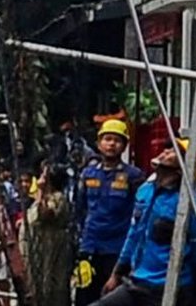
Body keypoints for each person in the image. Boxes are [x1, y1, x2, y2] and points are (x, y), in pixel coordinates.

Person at [91, 138, 196, 306]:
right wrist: (117, 274)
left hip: (167, 288)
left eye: (174, 152)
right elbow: (133, 234)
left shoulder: (187, 203)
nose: (165, 152)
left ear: (184, 168)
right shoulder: (145, 191)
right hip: (136, 281)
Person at [75, 120, 144, 305]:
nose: (111, 144)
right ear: (99, 144)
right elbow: (79, 211)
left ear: (124, 146)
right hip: (90, 248)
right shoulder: (87, 174)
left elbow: (140, 216)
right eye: (107, 139)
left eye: (117, 140)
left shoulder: (134, 176)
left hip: (117, 250)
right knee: (85, 297)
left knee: (114, 299)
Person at [20, 163, 74, 306]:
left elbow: (46, 214)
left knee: (49, 290)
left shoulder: (57, 198)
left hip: (48, 253)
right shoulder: (38, 196)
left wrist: (42, 191)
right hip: (34, 252)